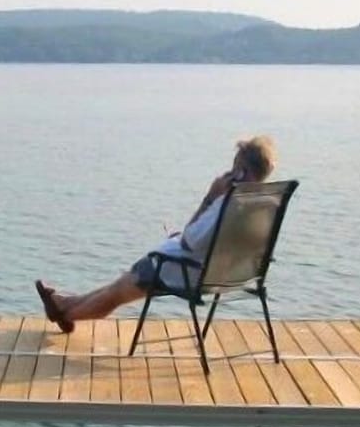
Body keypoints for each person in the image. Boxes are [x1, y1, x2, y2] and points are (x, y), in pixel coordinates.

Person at [35, 136, 277, 333]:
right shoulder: (266, 204)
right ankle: (63, 303)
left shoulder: (228, 205)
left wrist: (210, 197)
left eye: (234, 167)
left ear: (241, 171)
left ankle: (63, 313)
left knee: (118, 292)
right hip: (231, 273)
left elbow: (190, 240)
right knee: (122, 282)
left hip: (189, 272)